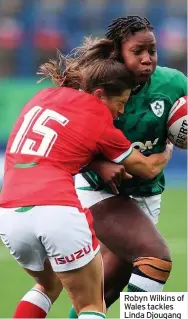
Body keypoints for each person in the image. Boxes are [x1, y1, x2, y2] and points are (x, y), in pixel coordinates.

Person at [0, 39, 171, 319]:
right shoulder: (99, 117)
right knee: (100, 299)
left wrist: (95, 162)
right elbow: (147, 168)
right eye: (121, 102)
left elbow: (57, 145)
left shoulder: (42, 97)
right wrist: (167, 150)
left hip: (10, 212)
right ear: (101, 94)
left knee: (50, 285)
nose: (123, 111)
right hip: (60, 209)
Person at [69, 16, 187, 318]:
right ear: (119, 53)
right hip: (100, 190)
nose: (147, 59)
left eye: (153, 50)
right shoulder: (98, 85)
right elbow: (72, 136)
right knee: (156, 258)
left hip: (146, 194)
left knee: (106, 291)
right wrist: (98, 163)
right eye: (138, 51)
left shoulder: (173, 83)